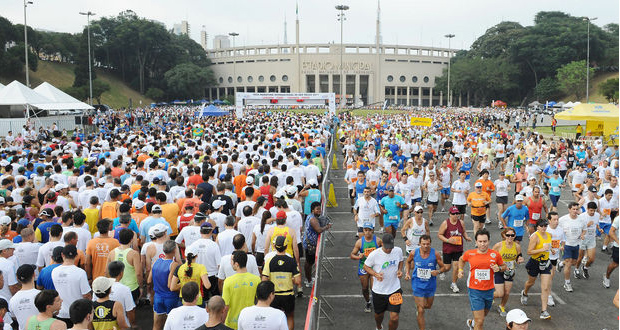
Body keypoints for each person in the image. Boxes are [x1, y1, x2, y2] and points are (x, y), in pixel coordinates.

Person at [458, 229, 507, 330]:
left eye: (485, 241)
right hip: (474, 290)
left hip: (489, 291)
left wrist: (499, 268)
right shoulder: (470, 254)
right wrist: (460, 270)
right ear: (476, 242)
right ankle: (476, 324)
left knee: (483, 315)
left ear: (489, 241)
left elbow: (504, 266)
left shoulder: (495, 254)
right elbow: (461, 259)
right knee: (480, 321)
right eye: (480, 241)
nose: (483, 244)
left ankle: (472, 324)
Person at [404, 235, 446, 330]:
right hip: (417, 284)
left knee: (428, 306)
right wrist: (407, 273)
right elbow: (408, 262)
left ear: (430, 244)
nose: (426, 246)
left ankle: (420, 306)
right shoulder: (414, 252)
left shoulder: (435, 254)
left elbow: (444, 267)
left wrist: (438, 272)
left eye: (428, 244)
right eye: (423, 244)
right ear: (419, 244)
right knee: (421, 310)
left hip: (430, 285)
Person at [363, 233, 404, 330]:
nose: (389, 250)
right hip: (379, 291)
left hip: (395, 289)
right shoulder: (374, 254)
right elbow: (366, 266)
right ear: (382, 244)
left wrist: (399, 270)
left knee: (394, 318)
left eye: (391, 247)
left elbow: (401, 261)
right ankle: (378, 327)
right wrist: (375, 274)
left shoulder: (398, 251)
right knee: (378, 315)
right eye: (387, 248)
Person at [261, 235, 300, 330]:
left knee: (273, 319)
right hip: (288, 295)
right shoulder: (291, 261)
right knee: (289, 317)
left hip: (274, 295)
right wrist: (290, 279)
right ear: (286, 247)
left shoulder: (269, 261)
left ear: (274, 247)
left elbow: (264, 280)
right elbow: (298, 281)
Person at [51, 245, 91, 328]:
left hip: (61, 312)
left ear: (62, 255)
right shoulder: (80, 272)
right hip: (78, 314)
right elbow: (86, 295)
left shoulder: (54, 271)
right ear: (76, 256)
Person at [521, 219, 553, 319]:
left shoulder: (549, 235)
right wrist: (542, 249)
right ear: (537, 227)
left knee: (545, 287)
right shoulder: (534, 237)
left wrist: (552, 250)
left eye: (545, 226)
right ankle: (525, 293)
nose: (544, 228)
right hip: (535, 263)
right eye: (541, 226)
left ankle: (544, 311)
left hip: (545, 262)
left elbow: (549, 246)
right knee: (531, 283)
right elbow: (529, 251)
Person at [222, 251, 261, 330]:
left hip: (232, 323)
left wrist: (222, 323)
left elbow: (226, 306)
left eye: (232, 260)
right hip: (250, 321)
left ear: (236, 264)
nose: (230, 262)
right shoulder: (256, 279)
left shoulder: (228, 281)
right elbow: (260, 302)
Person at [437, 206, 472, 293]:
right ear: (450, 214)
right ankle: (442, 271)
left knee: (456, 266)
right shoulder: (445, 223)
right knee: (447, 267)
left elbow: (463, 231)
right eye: (454, 214)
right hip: (448, 249)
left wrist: (466, 237)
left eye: (457, 213)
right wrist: (448, 240)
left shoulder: (461, 222)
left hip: (458, 248)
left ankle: (454, 283)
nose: (456, 215)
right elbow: (440, 234)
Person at [350, 222, 382, 313]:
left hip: (374, 267)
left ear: (372, 230)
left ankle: (376, 302)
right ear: (363, 231)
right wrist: (358, 257)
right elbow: (352, 255)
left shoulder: (378, 241)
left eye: (369, 230)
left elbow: (385, 251)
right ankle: (368, 302)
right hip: (363, 266)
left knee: (374, 288)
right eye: (365, 230)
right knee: (364, 288)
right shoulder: (360, 242)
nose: (367, 232)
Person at [149, 240, 181, 330]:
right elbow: (170, 285)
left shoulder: (156, 262)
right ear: (174, 250)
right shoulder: (174, 264)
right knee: (172, 326)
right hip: (171, 299)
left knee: (156, 325)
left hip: (158, 298)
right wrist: (182, 284)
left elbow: (148, 280)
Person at [492, 227, 524, 317]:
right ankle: (489, 297)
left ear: (514, 236)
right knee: (500, 293)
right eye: (508, 235)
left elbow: (518, 258)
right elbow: (491, 258)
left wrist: (520, 260)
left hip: (510, 271)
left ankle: (502, 306)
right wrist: (495, 266)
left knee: (506, 292)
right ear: (504, 235)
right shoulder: (498, 245)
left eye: (512, 235)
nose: (510, 237)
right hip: (499, 270)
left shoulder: (517, 246)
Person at [302, 201, 331, 287]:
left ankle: (309, 279)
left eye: (320, 209)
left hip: (309, 243)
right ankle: (309, 281)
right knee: (309, 263)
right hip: (310, 245)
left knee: (309, 263)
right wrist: (327, 227)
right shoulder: (313, 219)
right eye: (317, 209)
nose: (319, 211)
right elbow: (318, 230)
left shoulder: (311, 216)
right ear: (312, 210)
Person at [559, 202, 586, 292]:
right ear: (569, 209)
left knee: (574, 262)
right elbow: (557, 230)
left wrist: (582, 235)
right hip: (566, 244)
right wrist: (559, 243)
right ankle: (567, 283)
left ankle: (561, 263)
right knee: (569, 263)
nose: (575, 211)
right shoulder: (563, 219)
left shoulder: (581, 220)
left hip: (576, 244)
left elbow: (584, 229)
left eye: (576, 209)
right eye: (573, 209)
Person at [575, 202, 602, 279]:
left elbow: (596, 224)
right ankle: (576, 269)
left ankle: (585, 268)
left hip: (592, 239)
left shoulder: (597, 215)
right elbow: (578, 228)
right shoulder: (582, 216)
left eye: (594, 210)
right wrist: (587, 225)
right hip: (583, 239)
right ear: (587, 209)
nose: (592, 212)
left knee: (592, 259)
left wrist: (599, 229)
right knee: (580, 257)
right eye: (591, 210)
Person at [106, 261, 136, 329]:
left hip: (103, 325)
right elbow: (130, 311)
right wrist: (133, 325)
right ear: (121, 273)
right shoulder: (125, 289)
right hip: (122, 325)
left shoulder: (100, 286)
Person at [9, 264, 40, 330]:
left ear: (17, 278)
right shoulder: (41, 295)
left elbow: (13, 316)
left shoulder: (13, 300)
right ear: (34, 275)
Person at [603, 216, 619, 288]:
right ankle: (606, 276)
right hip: (618, 247)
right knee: (615, 264)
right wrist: (618, 241)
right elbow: (611, 231)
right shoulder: (618, 219)